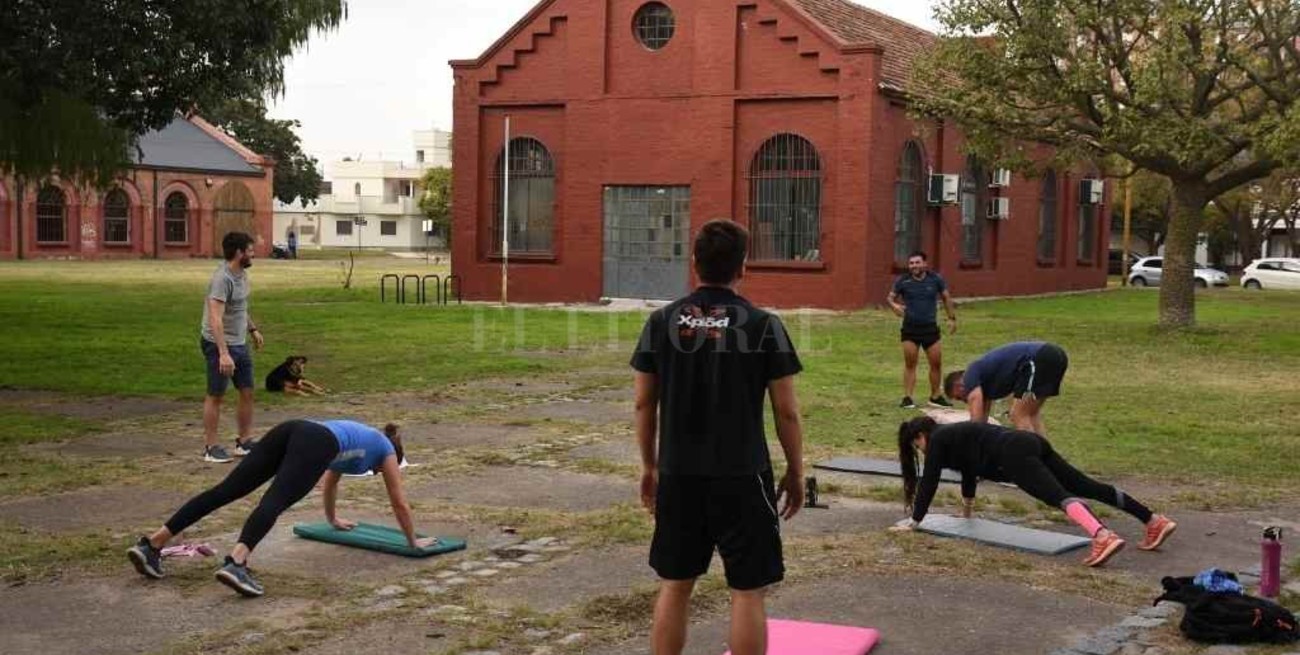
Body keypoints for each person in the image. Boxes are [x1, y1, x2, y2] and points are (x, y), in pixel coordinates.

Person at [631, 218, 806, 655]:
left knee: (675, 584)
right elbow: (786, 410)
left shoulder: (661, 321)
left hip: (679, 473)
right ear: (743, 266)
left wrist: (650, 465)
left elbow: (643, 404)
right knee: (747, 590)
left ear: (694, 262)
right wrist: (796, 471)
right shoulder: (764, 325)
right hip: (742, 474)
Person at [127, 420, 434, 597]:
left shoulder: (358, 441)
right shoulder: (385, 450)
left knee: (226, 490)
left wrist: (333, 519)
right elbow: (398, 500)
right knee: (275, 501)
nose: (378, 472)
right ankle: (236, 563)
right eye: (382, 470)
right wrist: (412, 541)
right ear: (395, 455)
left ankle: (152, 545)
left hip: (293, 428)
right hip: (316, 441)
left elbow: (330, 483)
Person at [890, 416, 1177, 567]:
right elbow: (968, 473)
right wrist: (967, 510)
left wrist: (915, 521)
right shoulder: (953, 436)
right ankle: (1153, 520)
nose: (921, 450)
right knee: (1085, 486)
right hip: (1029, 441)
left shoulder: (939, 440)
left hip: (1012, 453)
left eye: (917, 446)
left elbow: (929, 481)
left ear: (921, 436)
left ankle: (1102, 536)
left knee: (1056, 495)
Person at [200, 231, 263, 462]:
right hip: (218, 344)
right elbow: (215, 318)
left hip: (239, 343)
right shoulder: (222, 279)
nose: (253, 254)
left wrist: (252, 329)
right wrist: (223, 353)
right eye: (250, 250)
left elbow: (240, 306)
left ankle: (244, 442)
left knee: (247, 390)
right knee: (216, 395)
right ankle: (211, 448)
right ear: (238, 253)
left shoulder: (242, 275)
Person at [944, 341, 1067, 435]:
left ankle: (1032, 455)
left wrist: (969, 442)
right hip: (1055, 355)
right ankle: (1045, 456)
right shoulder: (984, 386)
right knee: (1031, 414)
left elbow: (975, 421)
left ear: (958, 386)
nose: (964, 401)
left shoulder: (969, 375)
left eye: (959, 397)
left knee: (1018, 414)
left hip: (1039, 358)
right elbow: (981, 420)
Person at [886, 250, 957, 409]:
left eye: (917, 262)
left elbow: (946, 297)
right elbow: (890, 298)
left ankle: (935, 396)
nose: (914, 266)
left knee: (936, 363)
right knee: (910, 364)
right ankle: (908, 398)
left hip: (930, 329)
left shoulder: (935, 279)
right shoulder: (903, 280)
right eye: (911, 263)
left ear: (925, 263)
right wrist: (894, 306)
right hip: (910, 329)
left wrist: (951, 318)